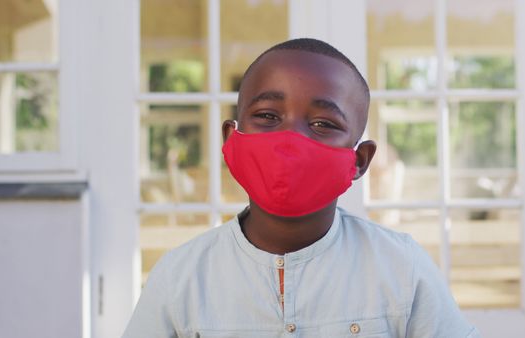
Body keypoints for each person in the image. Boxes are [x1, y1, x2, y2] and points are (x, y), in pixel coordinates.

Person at [122, 38, 480, 338]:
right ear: (231, 139)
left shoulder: (402, 268)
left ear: (359, 161)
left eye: (323, 123)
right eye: (267, 116)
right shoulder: (181, 277)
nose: (291, 139)